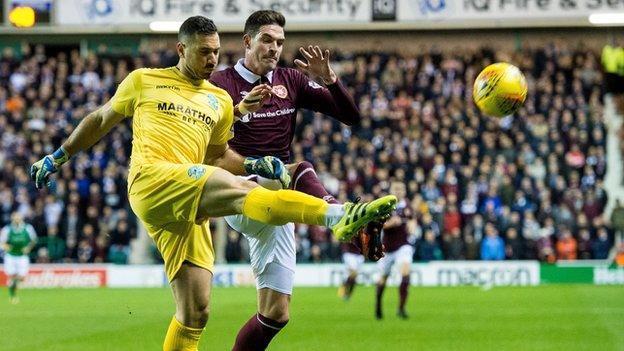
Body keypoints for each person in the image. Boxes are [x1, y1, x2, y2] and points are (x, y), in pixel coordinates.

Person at [29, 16, 396, 351]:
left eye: (216, 52)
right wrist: (58, 155)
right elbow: (100, 118)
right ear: (181, 49)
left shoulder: (219, 99)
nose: (211, 59)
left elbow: (220, 156)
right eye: (204, 52)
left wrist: (254, 159)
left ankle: (337, 217)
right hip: (156, 178)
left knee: (197, 314)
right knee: (255, 185)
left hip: (198, 199)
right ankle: (338, 217)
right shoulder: (146, 79)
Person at [210, 10, 385, 349]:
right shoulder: (221, 85)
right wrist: (238, 111)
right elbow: (206, 143)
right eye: (267, 40)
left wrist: (331, 80)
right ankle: (339, 216)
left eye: (280, 42)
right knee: (296, 167)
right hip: (240, 193)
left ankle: (342, 220)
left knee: (276, 314)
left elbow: (351, 117)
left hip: (280, 200)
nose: (275, 48)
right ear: (248, 41)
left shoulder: (291, 80)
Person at [375, 182, 414, 320]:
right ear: (391, 191)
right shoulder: (385, 206)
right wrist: (391, 223)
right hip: (387, 248)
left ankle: (401, 308)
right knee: (382, 279)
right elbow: (377, 225)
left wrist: (412, 227)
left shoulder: (408, 206)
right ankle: (378, 305)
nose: (399, 191)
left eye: (401, 189)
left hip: (403, 245)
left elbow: (412, 221)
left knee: (405, 273)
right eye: (396, 189)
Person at [1, 212, 37, 304]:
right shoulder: (7, 229)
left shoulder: (28, 228)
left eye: (18, 217)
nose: (17, 219)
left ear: (21, 218)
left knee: (21, 277)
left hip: (22, 256)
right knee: (12, 275)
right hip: (11, 256)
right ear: (12, 218)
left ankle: (13, 290)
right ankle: (13, 296)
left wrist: (28, 248)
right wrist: (6, 246)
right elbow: (1, 242)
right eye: (15, 217)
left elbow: (34, 240)